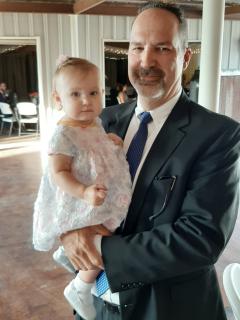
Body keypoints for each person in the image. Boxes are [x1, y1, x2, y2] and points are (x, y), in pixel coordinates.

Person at [61, 2, 240, 320]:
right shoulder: (103, 120)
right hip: (100, 303)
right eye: (137, 47)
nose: (146, 61)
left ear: (184, 57)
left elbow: (200, 238)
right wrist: (68, 232)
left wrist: (99, 249)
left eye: (162, 48)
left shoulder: (218, 134)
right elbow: (70, 187)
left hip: (167, 307)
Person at [32, 56, 131, 320]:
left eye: (93, 92)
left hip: (99, 194)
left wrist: (109, 142)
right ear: (58, 99)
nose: (87, 100)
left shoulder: (94, 123)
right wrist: (83, 192)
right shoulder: (62, 134)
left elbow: (94, 146)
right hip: (79, 199)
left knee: (108, 230)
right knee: (100, 238)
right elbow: (58, 173)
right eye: (75, 94)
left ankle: (74, 265)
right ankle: (81, 287)